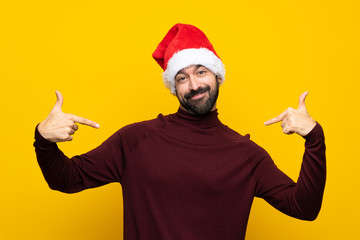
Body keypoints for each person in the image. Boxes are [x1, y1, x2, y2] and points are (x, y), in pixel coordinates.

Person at [34, 23, 326, 240]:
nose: (194, 85)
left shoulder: (247, 156)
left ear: (217, 76)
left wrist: (314, 139)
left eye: (201, 72)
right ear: (174, 87)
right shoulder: (135, 141)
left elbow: (304, 207)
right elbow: (67, 179)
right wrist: (44, 140)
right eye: (182, 77)